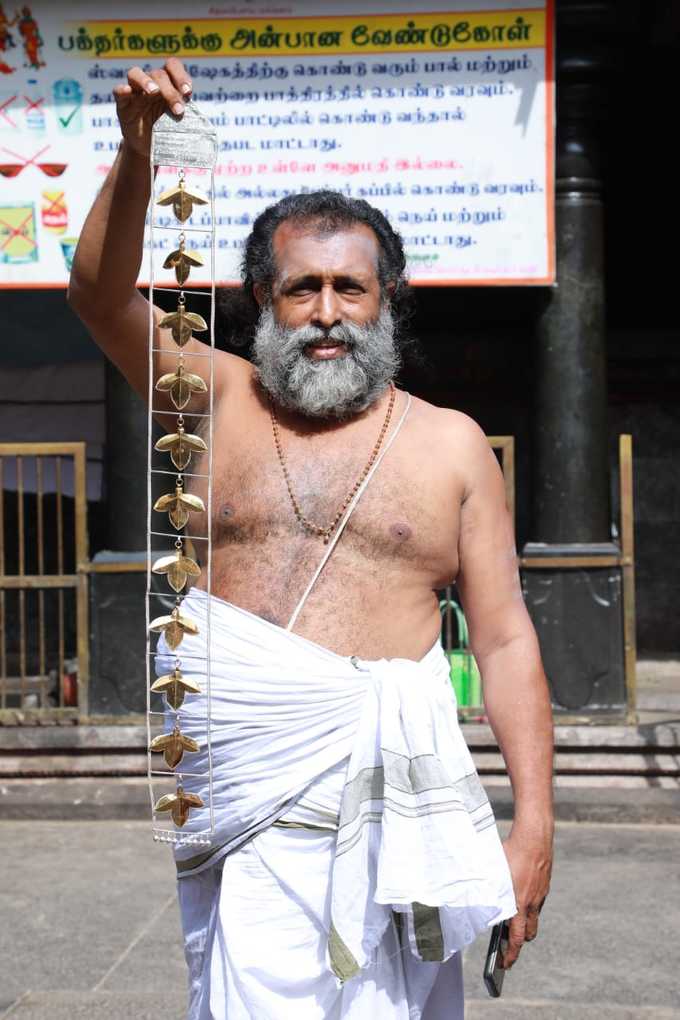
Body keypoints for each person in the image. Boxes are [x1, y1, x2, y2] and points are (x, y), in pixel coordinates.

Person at [68, 57, 554, 1020]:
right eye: (302, 290)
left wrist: (535, 823)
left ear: (387, 301)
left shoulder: (451, 446)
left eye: (350, 289)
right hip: (246, 811)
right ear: (261, 297)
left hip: (392, 825)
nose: (327, 313)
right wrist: (134, 155)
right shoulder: (206, 398)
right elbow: (94, 294)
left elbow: (503, 641)